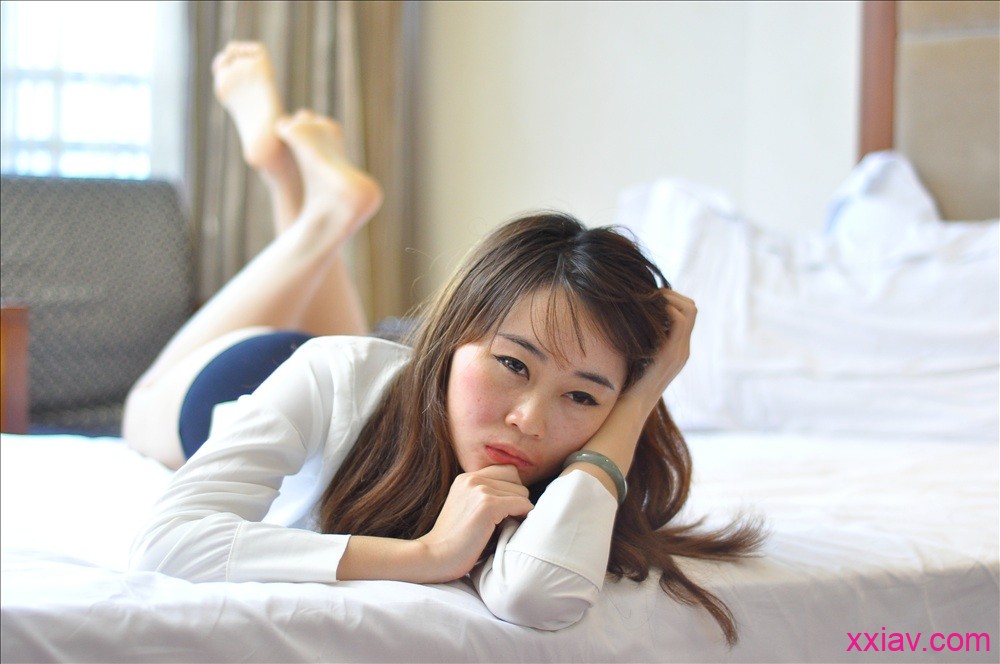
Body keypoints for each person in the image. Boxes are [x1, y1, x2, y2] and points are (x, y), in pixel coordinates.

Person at [126, 42, 762, 645]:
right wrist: (425, 555)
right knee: (140, 409)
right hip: (242, 374)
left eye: (583, 396)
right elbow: (168, 543)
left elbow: (539, 594)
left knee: (360, 365)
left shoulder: (565, 469)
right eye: (513, 364)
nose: (530, 420)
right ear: (458, 332)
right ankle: (319, 212)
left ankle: (303, 187)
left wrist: (642, 395)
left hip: (380, 380)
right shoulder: (332, 371)